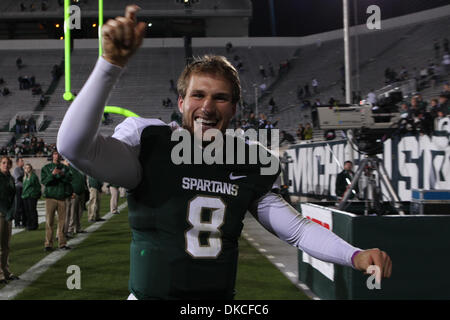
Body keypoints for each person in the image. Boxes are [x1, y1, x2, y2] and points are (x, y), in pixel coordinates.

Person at [57, 5, 392, 300]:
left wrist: (355, 255)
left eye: (219, 98)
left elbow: (298, 230)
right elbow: (73, 147)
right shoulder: (150, 141)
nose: (207, 107)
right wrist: (110, 64)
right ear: (181, 103)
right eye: (198, 95)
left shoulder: (247, 160)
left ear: (233, 109)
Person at [41, 150, 72, 251]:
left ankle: (62, 243)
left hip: (62, 197)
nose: (56, 156)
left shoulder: (65, 168)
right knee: (49, 222)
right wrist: (53, 174)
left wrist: (62, 174)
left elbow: (69, 179)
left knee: (62, 222)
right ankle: (48, 244)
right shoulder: (46, 168)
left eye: (58, 154)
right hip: (50, 198)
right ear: (52, 156)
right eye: (55, 154)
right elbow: (44, 181)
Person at [0, 156, 19, 284]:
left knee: (6, 246)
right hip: (0, 214)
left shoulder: (11, 178)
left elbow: (13, 197)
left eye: (8, 163)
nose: (6, 165)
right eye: (3, 163)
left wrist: (11, 212)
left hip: (8, 215)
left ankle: (6, 271)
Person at [65, 163, 87, 236]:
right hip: (74, 193)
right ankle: (70, 230)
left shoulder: (81, 168)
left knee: (80, 212)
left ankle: (77, 228)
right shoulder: (70, 168)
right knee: (72, 212)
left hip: (81, 192)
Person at [21, 164, 41, 231]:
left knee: (32, 211)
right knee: (27, 211)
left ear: (31, 169)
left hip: (31, 196)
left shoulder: (33, 176)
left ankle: (34, 225)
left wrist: (35, 194)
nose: (27, 169)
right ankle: (29, 224)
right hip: (25, 196)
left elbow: (38, 186)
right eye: (25, 168)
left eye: (28, 168)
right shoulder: (24, 177)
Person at [13, 157, 26, 228]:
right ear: (17, 163)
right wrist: (26, 175)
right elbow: (18, 178)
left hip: (22, 188)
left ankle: (22, 221)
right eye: (21, 161)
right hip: (18, 188)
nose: (22, 162)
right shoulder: (16, 169)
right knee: (18, 206)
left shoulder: (22, 169)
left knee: (22, 205)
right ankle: (17, 222)